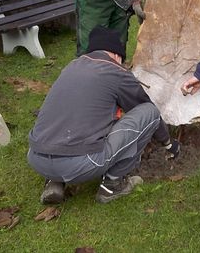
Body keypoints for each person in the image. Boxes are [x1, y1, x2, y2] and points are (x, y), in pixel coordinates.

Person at [27, 26, 180, 204]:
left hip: (36, 157)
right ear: (116, 54)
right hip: (81, 164)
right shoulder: (116, 71)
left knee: (73, 119)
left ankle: (54, 181)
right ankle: (112, 185)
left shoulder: (71, 67)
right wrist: (168, 142)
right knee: (149, 112)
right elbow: (144, 106)